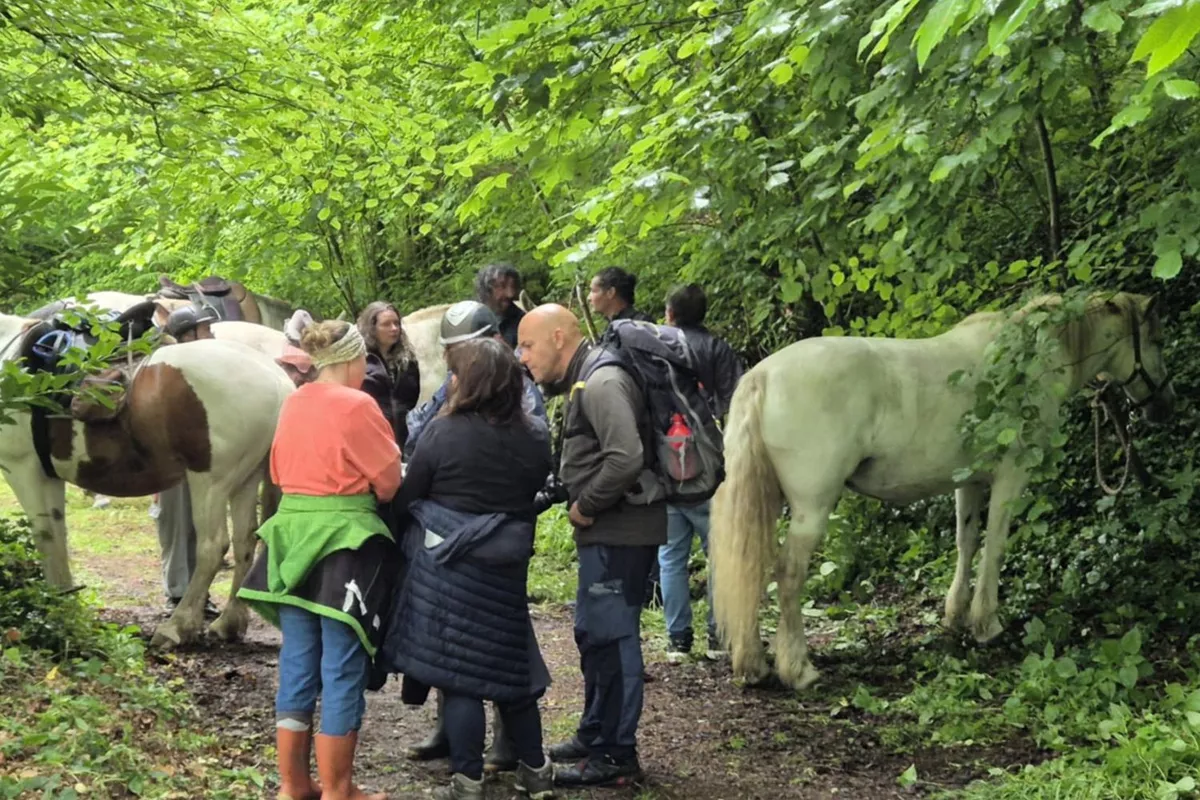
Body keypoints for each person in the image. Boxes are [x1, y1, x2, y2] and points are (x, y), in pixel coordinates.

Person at [381, 338, 555, 800]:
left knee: (460, 678)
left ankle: (468, 781)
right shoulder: (536, 434)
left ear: (471, 382)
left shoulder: (443, 432)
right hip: (506, 567)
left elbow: (408, 496)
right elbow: (531, 491)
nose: (451, 381)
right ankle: (536, 772)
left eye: (457, 374)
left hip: (449, 566)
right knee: (511, 670)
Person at [237, 319, 400, 800]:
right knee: (343, 666)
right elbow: (389, 480)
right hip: (343, 544)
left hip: (290, 539)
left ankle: (293, 785)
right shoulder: (359, 404)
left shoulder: (293, 401)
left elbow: (278, 469)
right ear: (352, 361)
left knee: (298, 661)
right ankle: (339, 789)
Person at [517, 304, 667, 787]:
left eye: (528, 345)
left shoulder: (602, 383)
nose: (523, 357)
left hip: (620, 533)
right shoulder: (588, 378)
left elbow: (625, 457)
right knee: (592, 634)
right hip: (607, 534)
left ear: (559, 337)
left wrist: (586, 505)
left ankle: (618, 755)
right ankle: (595, 732)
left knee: (613, 637)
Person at [659, 283, 745, 663]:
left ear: (670, 313)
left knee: (670, 557)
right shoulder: (719, 350)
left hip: (667, 466)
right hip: (711, 467)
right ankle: (717, 636)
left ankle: (678, 640)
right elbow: (737, 403)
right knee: (719, 554)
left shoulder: (656, 348)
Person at [405, 300, 546, 460]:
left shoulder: (521, 388)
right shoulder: (451, 383)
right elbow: (416, 434)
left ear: (495, 341)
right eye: (451, 349)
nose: (454, 357)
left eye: (465, 349)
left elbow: (533, 446)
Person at [156, 304, 222, 618]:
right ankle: (177, 593)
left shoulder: (208, 368)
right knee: (175, 525)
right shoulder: (168, 371)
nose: (212, 334)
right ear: (187, 335)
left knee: (201, 527)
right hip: (172, 460)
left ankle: (198, 592)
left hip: (201, 461)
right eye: (205, 329)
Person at [357, 301, 421, 452]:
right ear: (372, 328)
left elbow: (411, 400)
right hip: (371, 438)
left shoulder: (407, 361)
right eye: (386, 324)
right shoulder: (360, 362)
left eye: (396, 323)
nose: (394, 328)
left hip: (405, 437)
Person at [475, 263, 525, 349]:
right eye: (503, 286)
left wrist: (504, 349)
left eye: (513, 286)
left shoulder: (522, 321)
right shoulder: (469, 316)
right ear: (486, 290)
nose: (510, 294)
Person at [587, 267, 653, 326]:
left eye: (593, 291)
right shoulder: (611, 327)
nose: (588, 298)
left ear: (610, 292)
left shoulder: (640, 325)